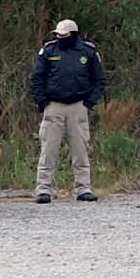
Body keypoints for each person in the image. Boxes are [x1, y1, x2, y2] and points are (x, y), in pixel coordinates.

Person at [28, 19, 106, 203]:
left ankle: (83, 188)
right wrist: (43, 102)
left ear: (74, 35)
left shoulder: (87, 51)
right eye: (58, 35)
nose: (60, 38)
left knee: (81, 149)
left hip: (78, 106)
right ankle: (43, 189)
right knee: (48, 148)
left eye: (64, 36)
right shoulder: (49, 50)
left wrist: (89, 103)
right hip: (53, 106)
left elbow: (99, 80)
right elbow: (37, 78)